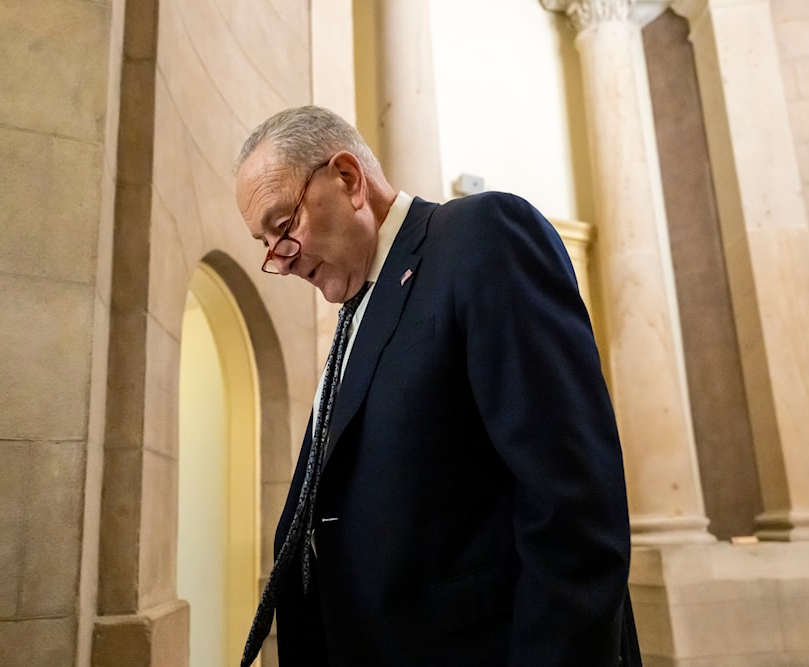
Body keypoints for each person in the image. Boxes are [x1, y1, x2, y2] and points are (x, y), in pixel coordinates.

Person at [233, 105, 640, 666]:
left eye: (283, 228)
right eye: (266, 243)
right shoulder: (357, 310)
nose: (281, 262)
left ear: (348, 179)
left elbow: (573, 504)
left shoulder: (480, 236)